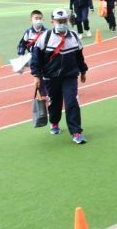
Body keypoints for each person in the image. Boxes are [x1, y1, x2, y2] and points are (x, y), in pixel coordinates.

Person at [30, 9, 88, 144]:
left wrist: (83, 71)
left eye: (64, 21)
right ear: (52, 22)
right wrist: (36, 76)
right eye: (59, 21)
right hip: (51, 78)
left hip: (70, 76)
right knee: (55, 103)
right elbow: (36, 59)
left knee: (72, 102)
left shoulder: (74, 37)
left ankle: (76, 132)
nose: (62, 24)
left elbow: (79, 57)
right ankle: (54, 122)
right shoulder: (45, 37)